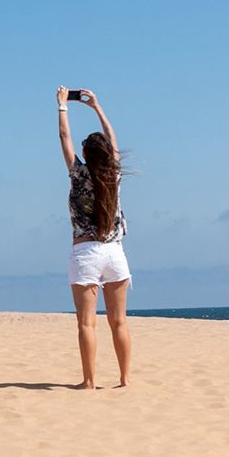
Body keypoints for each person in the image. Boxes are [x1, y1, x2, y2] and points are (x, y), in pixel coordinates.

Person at [57, 87, 131, 389]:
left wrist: (62, 106)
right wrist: (97, 107)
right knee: (119, 321)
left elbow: (64, 137)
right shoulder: (114, 176)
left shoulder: (78, 174)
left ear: (86, 154)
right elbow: (113, 140)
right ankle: (125, 379)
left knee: (87, 323)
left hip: (86, 252)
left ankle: (89, 382)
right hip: (114, 252)